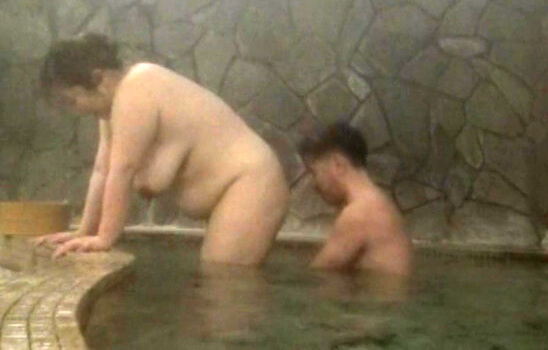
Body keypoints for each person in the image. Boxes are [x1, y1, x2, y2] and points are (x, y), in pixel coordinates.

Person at [34, 33, 289, 265]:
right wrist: (84, 231)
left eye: (72, 100)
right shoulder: (111, 108)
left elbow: (123, 170)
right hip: (238, 187)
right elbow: (103, 170)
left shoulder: (136, 88)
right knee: (215, 276)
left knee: (223, 279)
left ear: (98, 79)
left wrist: (105, 237)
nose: (76, 110)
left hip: (251, 181)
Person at [298, 122, 413, 277]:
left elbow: (319, 272)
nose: (314, 183)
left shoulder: (360, 213)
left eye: (313, 172)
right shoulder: (378, 203)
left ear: (337, 164)